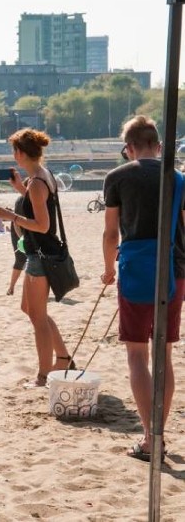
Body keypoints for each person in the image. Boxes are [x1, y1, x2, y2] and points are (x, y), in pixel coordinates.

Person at [101, 115, 184, 461]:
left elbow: (110, 233)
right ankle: (158, 434)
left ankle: (151, 437)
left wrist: (108, 269)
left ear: (129, 147)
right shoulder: (178, 179)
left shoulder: (118, 177)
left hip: (136, 269)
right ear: (159, 145)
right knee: (163, 354)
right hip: (174, 272)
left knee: (137, 355)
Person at [0, 130, 71, 387]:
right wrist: (19, 188)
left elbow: (43, 225)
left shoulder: (37, 182)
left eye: (14, 150)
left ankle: (44, 375)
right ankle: (62, 358)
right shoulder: (40, 177)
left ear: (21, 153)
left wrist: (10, 216)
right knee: (30, 309)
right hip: (39, 253)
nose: (13, 155)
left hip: (40, 254)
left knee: (37, 317)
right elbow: (40, 203)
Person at [6, 168, 27, 296]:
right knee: (20, 260)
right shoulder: (21, 200)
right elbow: (16, 222)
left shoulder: (35, 200)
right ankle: (11, 287)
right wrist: (22, 238)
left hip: (30, 233)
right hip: (18, 233)